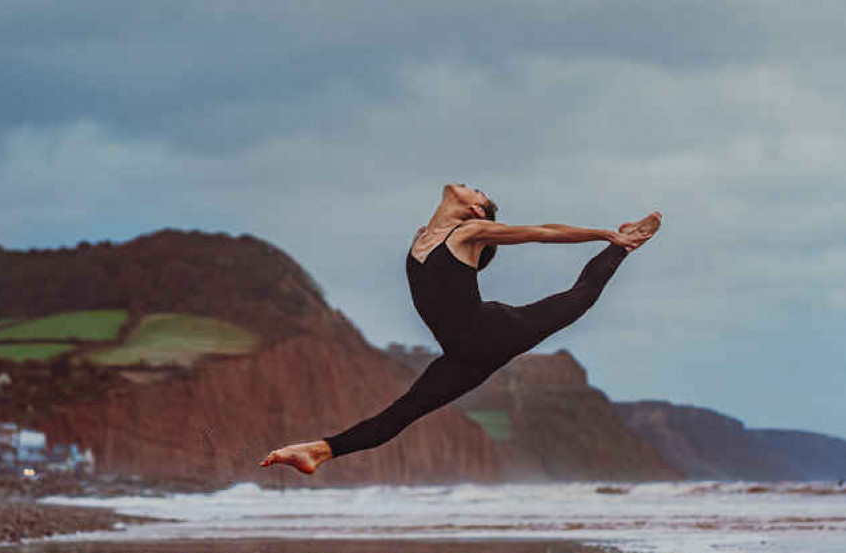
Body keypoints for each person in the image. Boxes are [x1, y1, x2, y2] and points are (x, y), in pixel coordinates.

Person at [260, 183, 661, 474]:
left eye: (478, 194)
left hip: (494, 332)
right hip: (463, 354)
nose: (470, 188)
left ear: (476, 213)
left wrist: (603, 233)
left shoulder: (467, 234)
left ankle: (623, 242)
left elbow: (543, 232)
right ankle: (318, 451)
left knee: (580, 297)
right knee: (402, 413)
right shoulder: (423, 239)